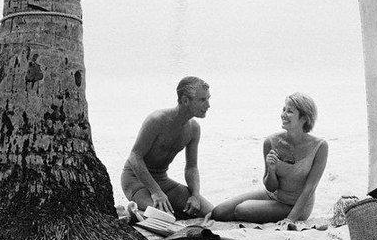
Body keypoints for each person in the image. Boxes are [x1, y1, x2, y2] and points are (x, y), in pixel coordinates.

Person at [210, 93, 328, 224]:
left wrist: (290, 219)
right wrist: (271, 170)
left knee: (242, 209)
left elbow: (310, 188)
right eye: (283, 109)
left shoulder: (320, 146)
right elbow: (270, 187)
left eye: (289, 111)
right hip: (272, 196)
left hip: (297, 206)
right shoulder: (271, 142)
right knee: (218, 212)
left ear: (304, 118)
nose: (283, 114)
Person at [121, 76, 213, 219]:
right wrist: (156, 192)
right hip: (135, 180)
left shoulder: (194, 128)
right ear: (185, 100)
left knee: (211, 212)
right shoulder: (157, 120)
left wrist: (195, 195)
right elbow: (134, 157)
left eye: (208, 99)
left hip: (162, 180)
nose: (208, 105)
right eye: (202, 100)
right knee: (164, 216)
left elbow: (191, 167)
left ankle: (145, 212)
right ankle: (129, 212)